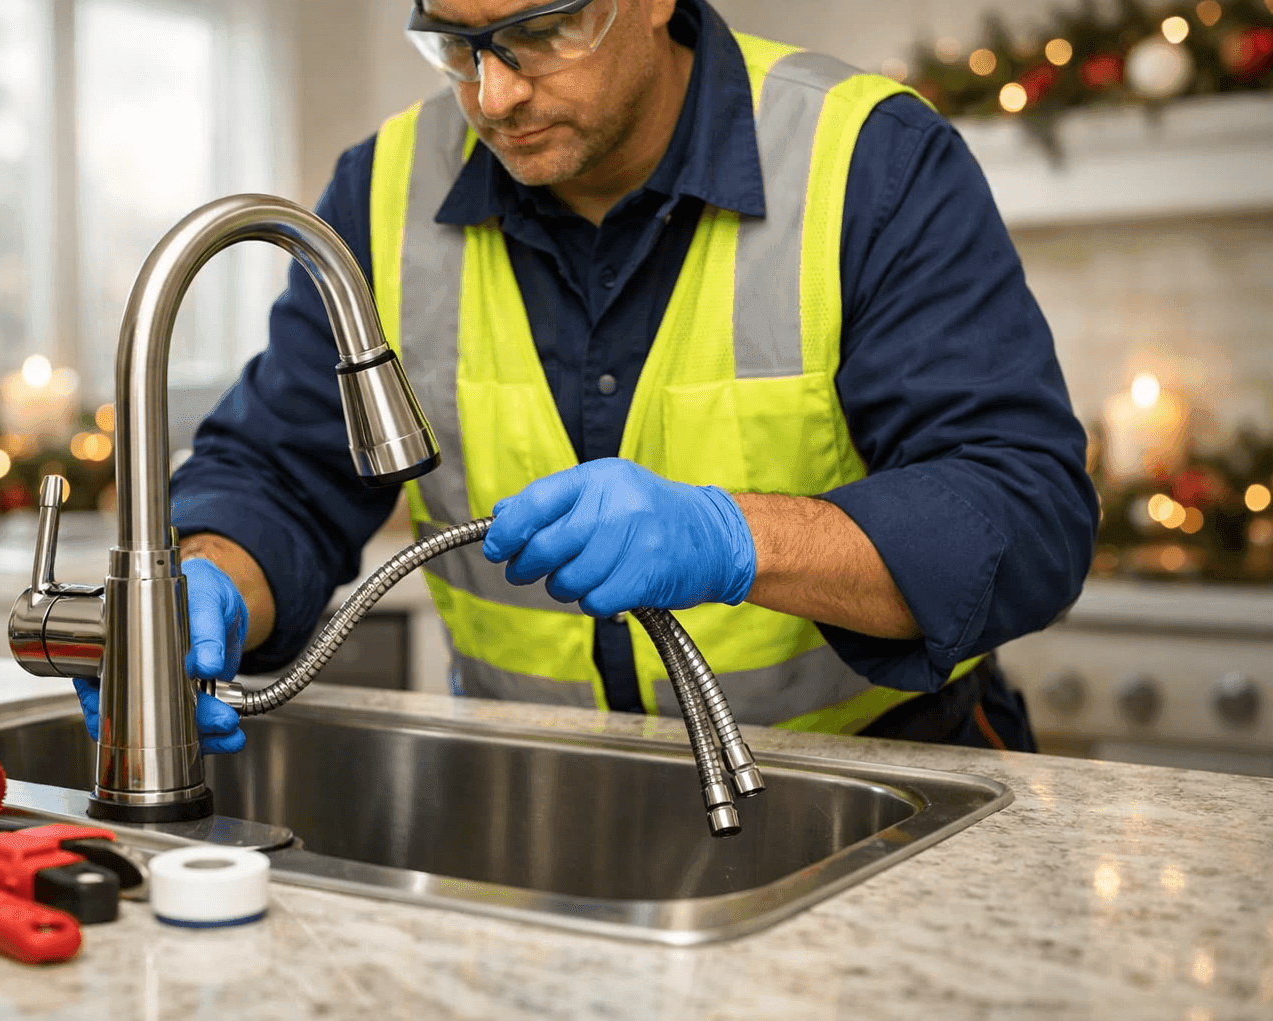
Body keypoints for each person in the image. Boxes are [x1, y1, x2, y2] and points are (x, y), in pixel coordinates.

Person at [74, 0, 1098, 756]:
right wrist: (201, 584)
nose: (493, 93)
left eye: (541, 32)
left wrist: (736, 538)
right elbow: (281, 479)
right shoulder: (378, 191)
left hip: (882, 777)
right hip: (533, 791)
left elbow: (1025, 507)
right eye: (455, 43)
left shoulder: (871, 160)